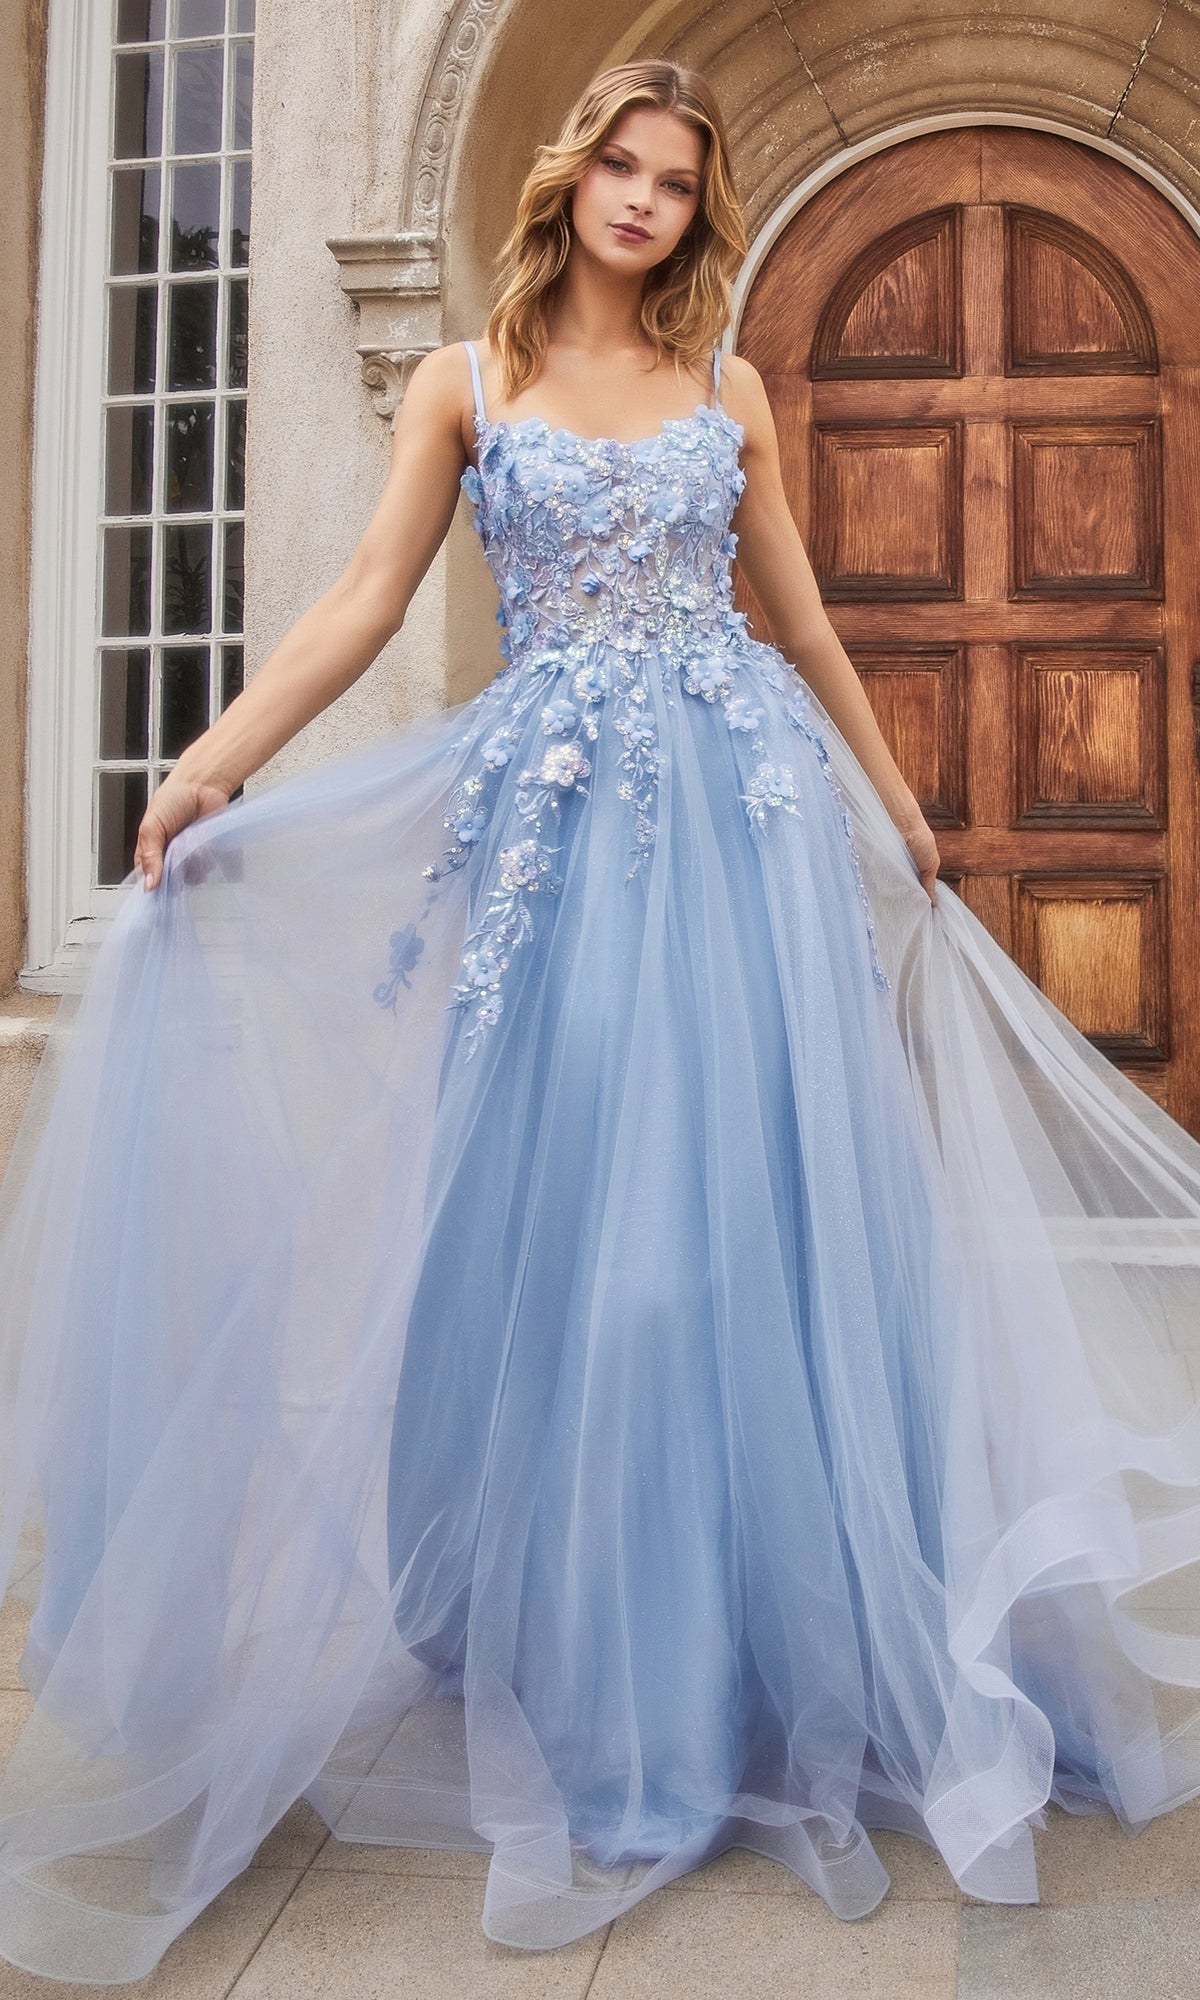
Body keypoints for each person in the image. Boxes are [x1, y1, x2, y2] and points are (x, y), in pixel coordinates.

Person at [3, 56, 1200, 1986]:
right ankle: (609, 1685)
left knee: (747, 1248)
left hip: (741, 836)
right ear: (571, 182)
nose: (643, 200)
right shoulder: (465, 383)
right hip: (564, 868)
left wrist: (895, 812)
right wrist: (211, 759)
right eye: (621, 167)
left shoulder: (731, 392)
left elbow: (799, 621)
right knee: (589, 1261)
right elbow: (369, 600)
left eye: (674, 179)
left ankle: (774, 1657)